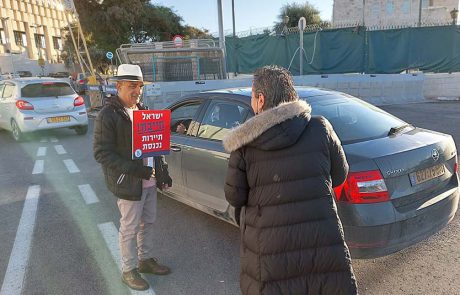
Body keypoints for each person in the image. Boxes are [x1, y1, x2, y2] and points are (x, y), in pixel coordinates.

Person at [223, 65, 358, 295]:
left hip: (270, 254)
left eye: (252, 97)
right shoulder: (320, 128)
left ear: (261, 99)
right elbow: (339, 175)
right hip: (322, 244)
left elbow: (234, 196)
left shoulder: (244, 144)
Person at [93, 64, 172, 291]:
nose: (137, 91)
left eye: (140, 86)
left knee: (149, 222)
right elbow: (101, 153)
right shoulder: (108, 115)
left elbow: (154, 147)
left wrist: (162, 174)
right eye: (132, 86)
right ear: (118, 86)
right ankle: (128, 270)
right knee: (129, 228)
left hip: (149, 180)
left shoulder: (143, 110)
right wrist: (138, 171)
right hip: (128, 182)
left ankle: (145, 260)